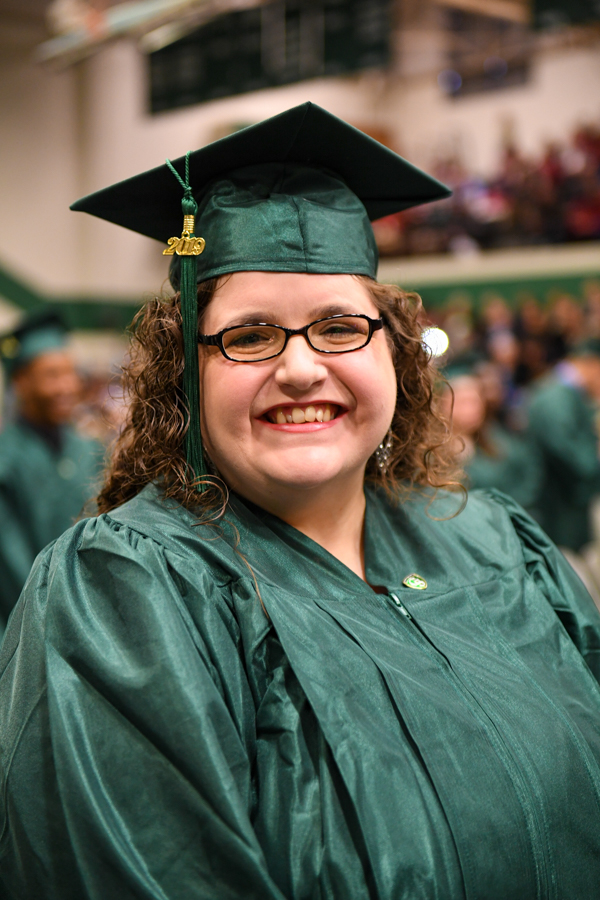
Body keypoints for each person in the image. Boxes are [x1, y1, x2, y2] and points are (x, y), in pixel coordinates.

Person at [1, 103, 600, 900]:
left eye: (340, 327)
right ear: (185, 372)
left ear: (393, 350)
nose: (301, 368)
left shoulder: (495, 541)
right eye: (249, 335)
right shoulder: (127, 597)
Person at [0, 310, 103, 634]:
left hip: (92, 622)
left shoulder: (91, 450)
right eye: (51, 375)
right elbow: (11, 564)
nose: (67, 387)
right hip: (26, 627)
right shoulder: (6, 460)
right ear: (21, 381)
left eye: (71, 373)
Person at [527, 338, 600, 550]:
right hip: (559, 500)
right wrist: (593, 462)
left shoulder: (561, 392)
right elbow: (564, 447)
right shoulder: (555, 396)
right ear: (591, 364)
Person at [441, 368, 542, 514]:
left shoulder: (497, 438)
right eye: (462, 402)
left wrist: (513, 507)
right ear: (443, 405)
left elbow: (528, 470)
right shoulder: (433, 449)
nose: (469, 410)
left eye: (474, 402)